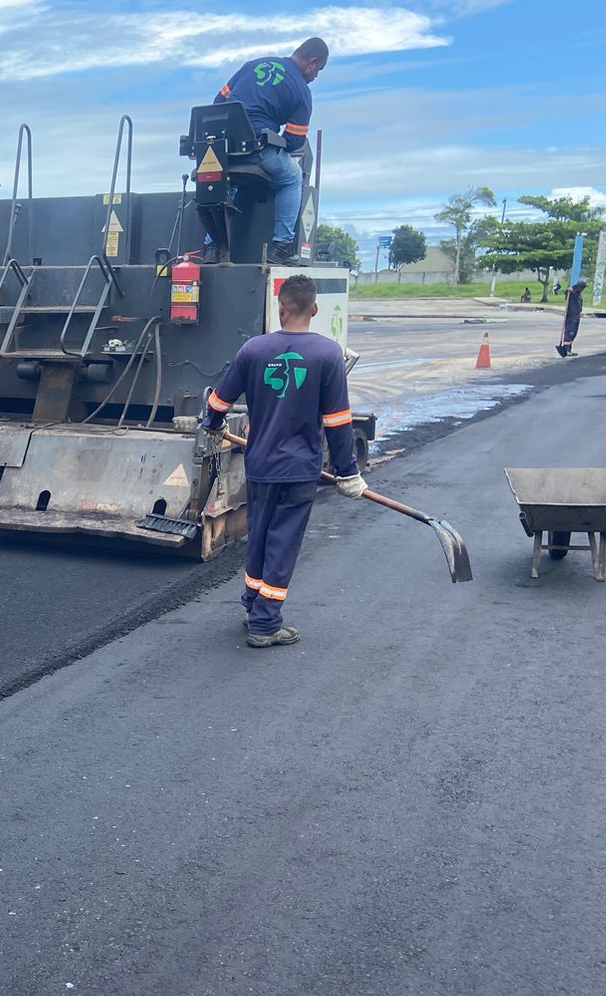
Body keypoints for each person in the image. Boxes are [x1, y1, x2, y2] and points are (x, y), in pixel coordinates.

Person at [196, 274, 364, 648]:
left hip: (260, 466)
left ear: (281, 307)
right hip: (299, 469)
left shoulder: (253, 350)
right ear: (315, 309)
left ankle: (253, 604)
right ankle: (266, 624)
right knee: (283, 542)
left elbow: (219, 402)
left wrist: (211, 424)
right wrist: (348, 472)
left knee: (260, 536)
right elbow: (338, 421)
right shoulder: (327, 354)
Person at [214, 37, 329, 266]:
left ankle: (212, 246)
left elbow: (219, 101)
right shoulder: (301, 91)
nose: (316, 77)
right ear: (312, 63)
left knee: (226, 184)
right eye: (319, 71)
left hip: (222, 151)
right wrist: (278, 141)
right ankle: (282, 247)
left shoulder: (251, 65)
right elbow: (295, 141)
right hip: (257, 149)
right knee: (292, 177)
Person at [556, 279, 586, 356]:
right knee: (570, 332)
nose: (583, 289)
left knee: (573, 333)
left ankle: (569, 349)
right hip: (571, 316)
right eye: (582, 287)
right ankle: (566, 349)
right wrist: (568, 291)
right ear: (579, 287)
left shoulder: (578, 293)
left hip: (576, 316)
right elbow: (568, 293)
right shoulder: (573, 292)